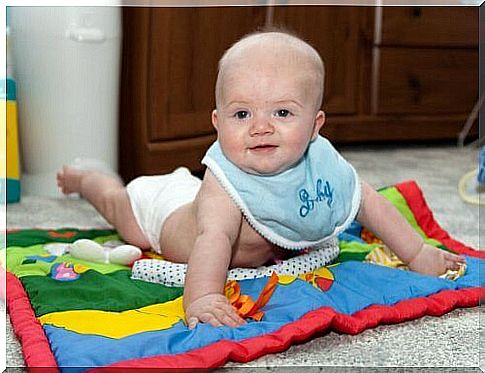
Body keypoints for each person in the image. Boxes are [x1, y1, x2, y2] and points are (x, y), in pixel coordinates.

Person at [57, 30, 465, 329]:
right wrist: (203, 296)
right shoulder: (225, 186)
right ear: (218, 123)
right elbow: (213, 240)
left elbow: (365, 199)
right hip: (161, 211)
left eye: (282, 113)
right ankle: (88, 179)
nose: (261, 128)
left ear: (315, 126)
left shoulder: (320, 163)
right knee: (122, 213)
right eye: (242, 114)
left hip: (188, 192)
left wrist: (417, 254)